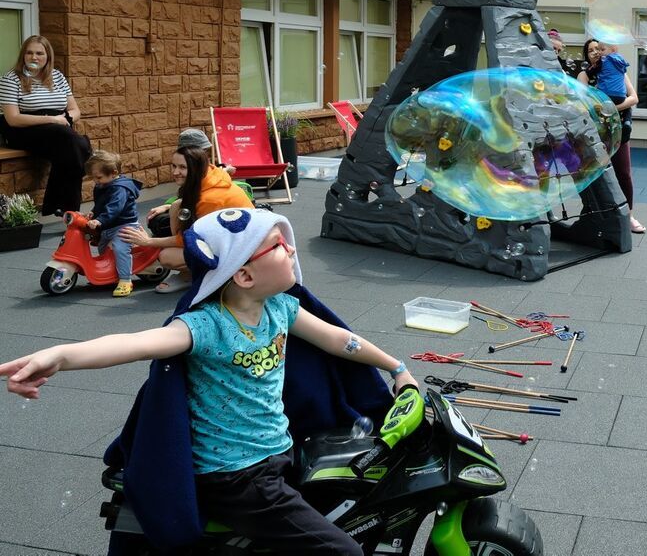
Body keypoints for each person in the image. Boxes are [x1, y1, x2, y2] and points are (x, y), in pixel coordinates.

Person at [1, 207, 415, 553]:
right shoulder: (205, 326)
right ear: (244, 276)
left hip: (276, 455)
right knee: (343, 551)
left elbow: (339, 340)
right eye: (278, 245)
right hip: (236, 478)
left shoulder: (281, 308)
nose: (292, 248)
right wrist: (58, 355)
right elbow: (136, 343)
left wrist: (397, 369)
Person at [121, 144, 253, 293]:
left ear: (196, 168)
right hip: (227, 239)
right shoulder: (211, 173)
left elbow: (196, 240)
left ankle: (199, 276)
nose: (176, 172)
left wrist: (148, 242)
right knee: (176, 206)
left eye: (183, 167)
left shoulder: (211, 200)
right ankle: (195, 273)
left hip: (241, 251)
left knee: (167, 256)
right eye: (174, 166)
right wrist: (167, 206)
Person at [0, 35, 92, 215]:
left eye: (39, 53)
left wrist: (64, 119)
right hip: (22, 130)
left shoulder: (57, 76)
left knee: (69, 152)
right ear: (23, 56)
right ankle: (71, 213)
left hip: (57, 132)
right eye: (29, 53)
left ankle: (61, 209)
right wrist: (52, 119)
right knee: (78, 146)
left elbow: (75, 110)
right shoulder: (10, 79)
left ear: (48, 56)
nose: (34, 57)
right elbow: (13, 119)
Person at [578, 39, 644, 234]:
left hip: (619, 130)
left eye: (598, 48)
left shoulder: (616, 67)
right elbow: (586, 103)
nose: (595, 52)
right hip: (595, 133)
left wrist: (611, 109)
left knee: (623, 173)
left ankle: (629, 216)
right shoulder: (584, 74)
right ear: (586, 54)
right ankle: (594, 214)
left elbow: (633, 98)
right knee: (594, 175)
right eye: (590, 50)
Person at [85, 150, 143, 297]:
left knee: (119, 248)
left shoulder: (120, 189)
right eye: (94, 178)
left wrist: (99, 220)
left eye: (99, 177)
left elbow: (114, 208)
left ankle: (125, 280)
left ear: (113, 173)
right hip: (109, 225)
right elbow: (102, 203)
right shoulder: (103, 185)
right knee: (103, 249)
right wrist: (94, 213)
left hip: (125, 225)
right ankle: (110, 274)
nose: (96, 181)